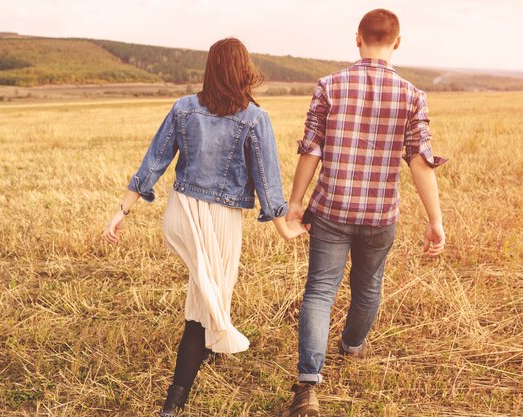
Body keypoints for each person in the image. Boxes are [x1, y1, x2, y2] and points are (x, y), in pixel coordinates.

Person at [104, 38, 306, 417]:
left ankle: (209, 347)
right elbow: (267, 179)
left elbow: (154, 162)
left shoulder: (184, 108)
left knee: (208, 287)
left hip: (180, 212)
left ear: (210, 69)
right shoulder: (254, 117)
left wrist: (122, 210)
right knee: (203, 302)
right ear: (244, 70)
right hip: (220, 218)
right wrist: (284, 227)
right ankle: (173, 403)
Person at [281, 9, 447, 417]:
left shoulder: (330, 86)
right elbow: (419, 161)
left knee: (320, 290)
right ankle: (351, 347)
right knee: (368, 287)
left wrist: (296, 202)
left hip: (331, 208)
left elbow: (311, 149)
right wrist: (435, 219)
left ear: (358, 38)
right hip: (379, 215)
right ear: (397, 42)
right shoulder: (412, 95)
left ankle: (307, 389)